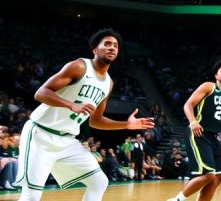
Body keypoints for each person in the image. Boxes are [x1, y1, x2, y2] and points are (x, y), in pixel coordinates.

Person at [14, 28, 154, 200]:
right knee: (31, 196)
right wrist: (70, 105)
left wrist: (125, 125)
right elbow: (41, 93)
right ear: (95, 49)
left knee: (99, 182)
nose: (112, 48)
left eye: (115, 45)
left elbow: (96, 121)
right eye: (107, 44)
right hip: (40, 135)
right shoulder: (79, 67)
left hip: (67, 141)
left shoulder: (108, 83)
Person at [166, 59, 221, 201]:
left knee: (217, 177)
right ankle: (178, 199)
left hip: (213, 137)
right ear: (216, 76)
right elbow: (188, 105)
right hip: (198, 132)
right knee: (208, 175)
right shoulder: (209, 87)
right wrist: (193, 121)